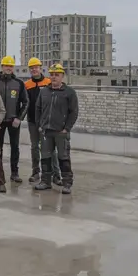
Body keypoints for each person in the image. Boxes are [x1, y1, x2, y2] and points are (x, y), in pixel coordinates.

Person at [34, 64, 79, 194]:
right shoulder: (44, 92)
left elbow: (73, 112)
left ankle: (67, 183)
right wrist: (40, 125)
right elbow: (38, 109)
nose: (54, 77)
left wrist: (67, 128)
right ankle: (45, 181)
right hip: (46, 131)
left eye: (56, 75)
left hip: (61, 132)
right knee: (46, 157)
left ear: (62, 76)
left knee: (63, 157)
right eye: (52, 74)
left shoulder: (69, 93)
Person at [24, 57, 61, 185]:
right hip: (32, 121)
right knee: (35, 147)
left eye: (36, 67)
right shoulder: (27, 85)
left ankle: (56, 175)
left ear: (40, 68)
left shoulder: (47, 83)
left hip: (46, 122)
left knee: (50, 149)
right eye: (32, 68)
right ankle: (35, 172)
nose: (34, 69)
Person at [0, 56, 29, 183]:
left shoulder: (19, 83)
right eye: (6, 65)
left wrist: (19, 118)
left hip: (14, 121)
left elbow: (25, 102)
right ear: (2, 67)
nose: (8, 68)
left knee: (15, 147)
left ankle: (14, 172)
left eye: (11, 66)